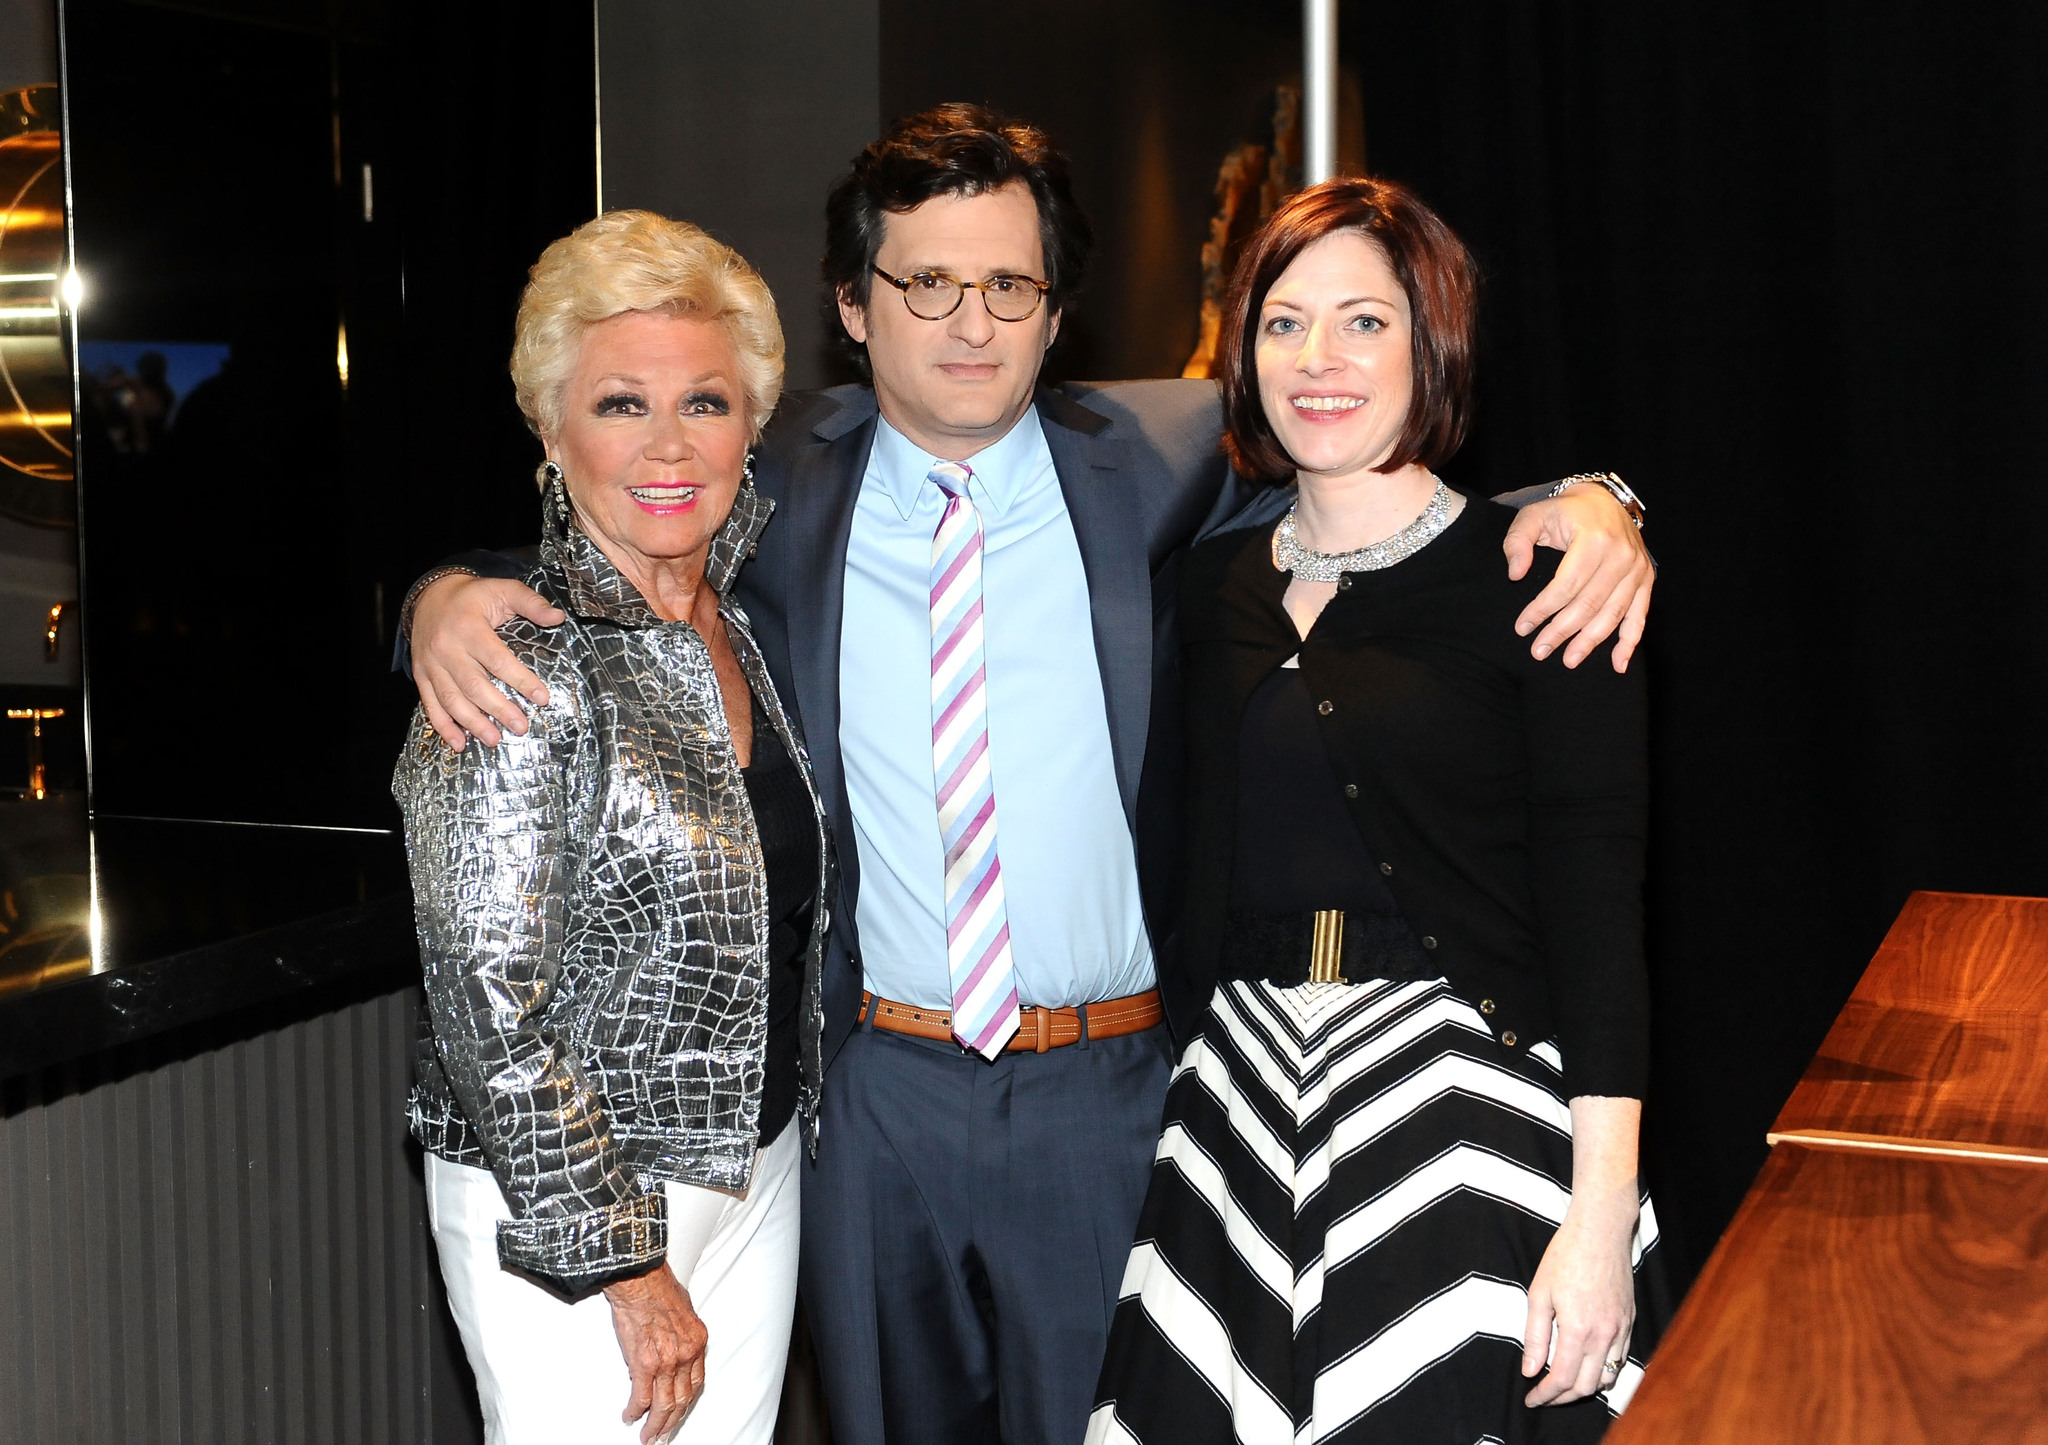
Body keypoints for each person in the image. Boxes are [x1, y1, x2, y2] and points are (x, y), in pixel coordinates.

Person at [399, 106, 1656, 1445]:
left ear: (1056, 317)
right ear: (853, 306)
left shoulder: (1163, 462)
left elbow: (1380, 488)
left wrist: (1597, 498)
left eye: (1010, 285)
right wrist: (434, 599)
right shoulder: (771, 488)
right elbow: (600, 508)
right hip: (875, 1102)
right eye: (926, 283)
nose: (971, 324)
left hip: (1111, 1094)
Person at [1087, 177, 1671, 1445]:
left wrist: (1598, 1216)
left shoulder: (1546, 573)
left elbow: (1597, 906)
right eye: (1283, 322)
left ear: (1431, 343)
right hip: (1233, 1116)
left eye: (1364, 321)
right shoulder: (1206, 579)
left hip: (1466, 1119)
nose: (1318, 359)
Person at [394, 210, 832, 1445]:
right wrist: (627, 1266)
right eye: (619, 404)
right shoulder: (510, 657)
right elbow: (485, 1004)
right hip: (567, 1209)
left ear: (752, 425)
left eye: (703, 401)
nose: (668, 443)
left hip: (756, 1168)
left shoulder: (741, 633)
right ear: (551, 428)